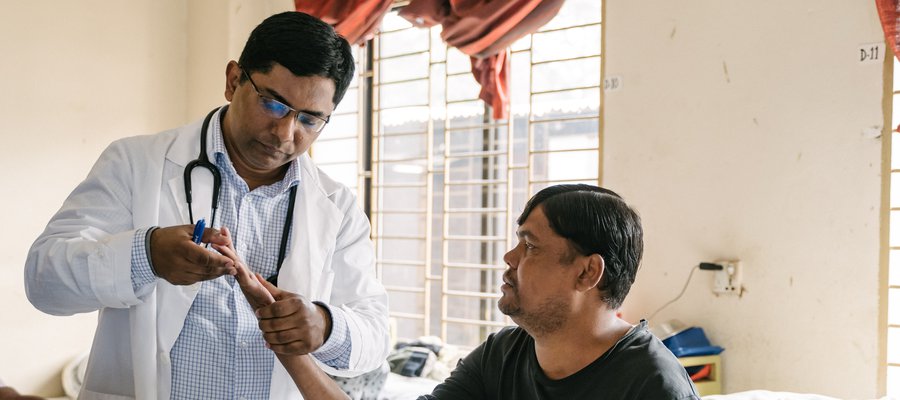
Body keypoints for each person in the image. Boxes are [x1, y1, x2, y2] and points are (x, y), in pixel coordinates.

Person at [24, 11, 389, 399]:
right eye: (273, 103)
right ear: (233, 81)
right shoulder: (135, 163)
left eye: (310, 120)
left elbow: (375, 334)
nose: (285, 133)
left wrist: (325, 325)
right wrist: (145, 256)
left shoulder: (337, 206)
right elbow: (44, 281)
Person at [419, 184, 700, 399]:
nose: (509, 257)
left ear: (587, 273)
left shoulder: (653, 385)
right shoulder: (500, 355)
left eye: (530, 247)